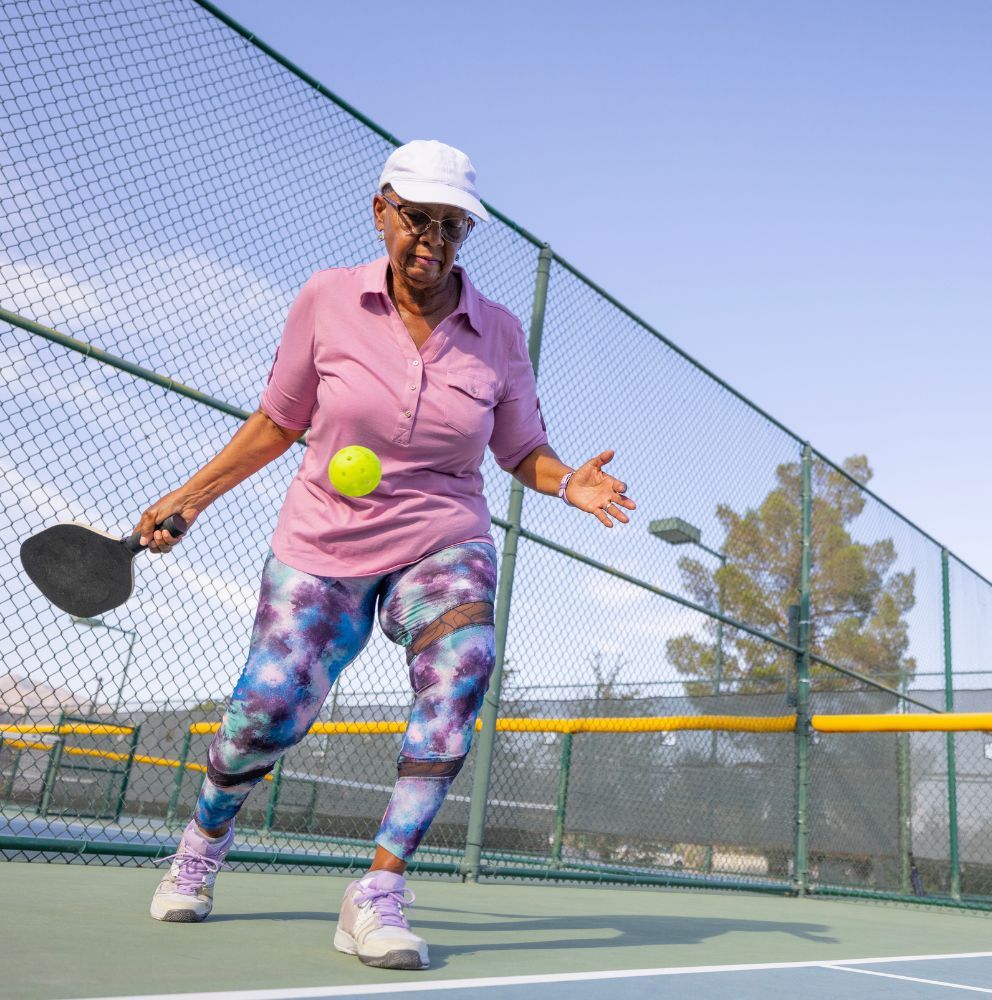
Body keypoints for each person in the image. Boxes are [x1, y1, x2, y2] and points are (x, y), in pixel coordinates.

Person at [142, 139, 636, 970]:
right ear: (382, 211)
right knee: (268, 710)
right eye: (418, 220)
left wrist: (565, 484)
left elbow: (523, 450)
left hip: (444, 533)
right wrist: (189, 498)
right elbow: (277, 422)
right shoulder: (326, 301)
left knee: (464, 666)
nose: (433, 242)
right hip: (322, 538)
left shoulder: (500, 333)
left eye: (452, 227)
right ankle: (202, 841)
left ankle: (377, 890)